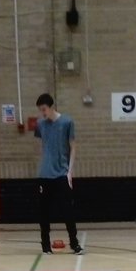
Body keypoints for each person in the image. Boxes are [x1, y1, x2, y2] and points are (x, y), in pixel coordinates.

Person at [34, 93, 82, 255]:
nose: (43, 113)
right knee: (43, 212)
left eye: (44, 109)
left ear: (51, 106)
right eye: (41, 110)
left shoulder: (67, 122)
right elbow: (41, 145)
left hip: (61, 173)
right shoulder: (40, 124)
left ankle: (74, 244)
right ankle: (45, 245)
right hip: (45, 175)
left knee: (67, 210)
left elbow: (73, 146)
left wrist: (70, 171)